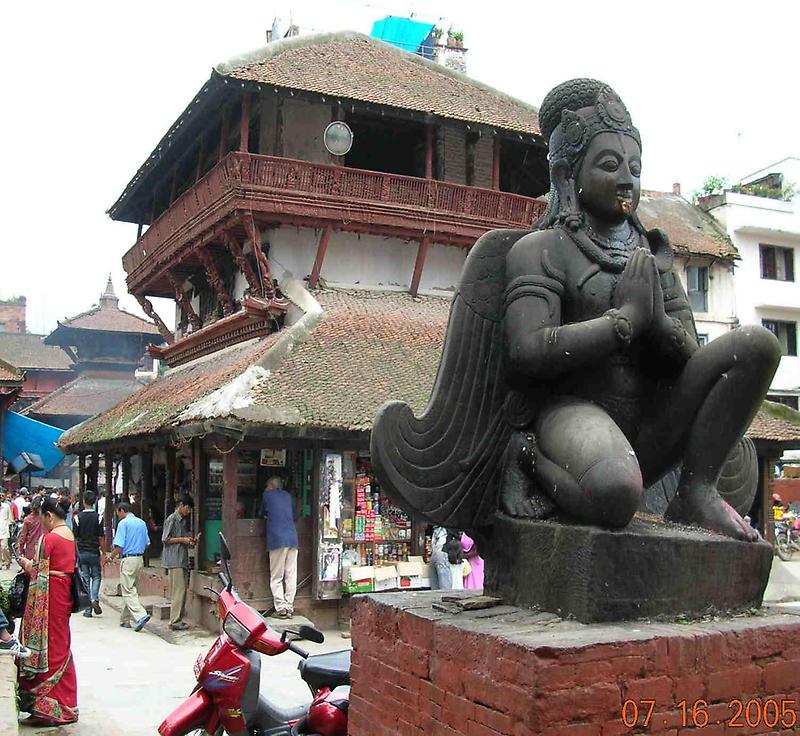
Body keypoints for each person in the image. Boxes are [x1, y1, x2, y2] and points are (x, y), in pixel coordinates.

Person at [17, 496, 78, 726]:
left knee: (48, 648)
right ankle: (64, 704)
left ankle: (49, 708)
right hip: (63, 596)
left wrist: (24, 562)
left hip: (50, 597)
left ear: (49, 516)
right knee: (60, 646)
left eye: (42, 519)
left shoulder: (50, 538)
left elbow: (37, 569)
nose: (41, 523)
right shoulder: (70, 536)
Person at [105, 502, 150, 631]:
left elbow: (119, 546)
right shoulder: (141, 523)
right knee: (131, 587)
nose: (117, 515)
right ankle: (125, 619)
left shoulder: (123, 524)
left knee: (128, 590)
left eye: (118, 512)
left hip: (128, 558)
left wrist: (111, 557)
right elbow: (147, 543)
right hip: (139, 558)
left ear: (122, 511)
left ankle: (141, 615)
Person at [260, 476, 298, 618]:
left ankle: (281, 608)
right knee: (291, 574)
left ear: (270, 486)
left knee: (276, 576)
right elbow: (295, 516)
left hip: (277, 539)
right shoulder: (288, 496)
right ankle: (289, 606)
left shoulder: (267, 495)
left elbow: (261, 513)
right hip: (293, 539)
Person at [161, 495, 195, 631]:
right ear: (181, 505)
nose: (188, 512)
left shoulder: (182, 521)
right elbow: (165, 539)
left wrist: (189, 540)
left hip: (181, 559)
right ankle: (174, 620)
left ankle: (178, 619)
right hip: (174, 560)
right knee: (178, 591)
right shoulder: (172, 519)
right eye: (187, 508)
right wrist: (183, 540)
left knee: (182, 591)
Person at [73, 491, 105, 618]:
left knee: (85, 578)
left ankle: (87, 609)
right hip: (94, 551)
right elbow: (101, 537)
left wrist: (75, 553)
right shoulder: (99, 517)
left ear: (84, 501)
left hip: (82, 551)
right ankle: (94, 599)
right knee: (96, 576)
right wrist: (103, 551)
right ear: (94, 502)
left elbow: (74, 538)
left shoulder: (77, 518)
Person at [17, 495, 43, 559]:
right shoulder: (46, 518)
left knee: (31, 567)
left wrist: (21, 550)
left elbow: (23, 537)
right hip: (43, 548)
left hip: (31, 548)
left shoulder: (28, 519)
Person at [428, 526, 451, 590]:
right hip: (439, 553)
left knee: (439, 584)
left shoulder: (440, 528)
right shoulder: (437, 528)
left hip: (438, 553)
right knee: (441, 583)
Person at [0, 494, 12, 569]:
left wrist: (10, 526)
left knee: (4, 547)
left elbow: (10, 518)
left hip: (4, 529)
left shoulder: (6, 506)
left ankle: (8, 560)